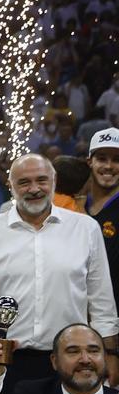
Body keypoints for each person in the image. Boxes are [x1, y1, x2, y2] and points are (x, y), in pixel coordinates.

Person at [0, 153, 119, 385]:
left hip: (70, 361)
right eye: (24, 182)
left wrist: (111, 354)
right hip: (4, 360)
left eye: (41, 180)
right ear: (10, 186)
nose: (34, 189)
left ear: (54, 181)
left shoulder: (86, 228)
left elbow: (101, 300)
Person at [85, 128, 119, 303]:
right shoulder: (74, 207)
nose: (108, 166)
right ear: (90, 161)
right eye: (102, 158)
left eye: (116, 160)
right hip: (77, 316)